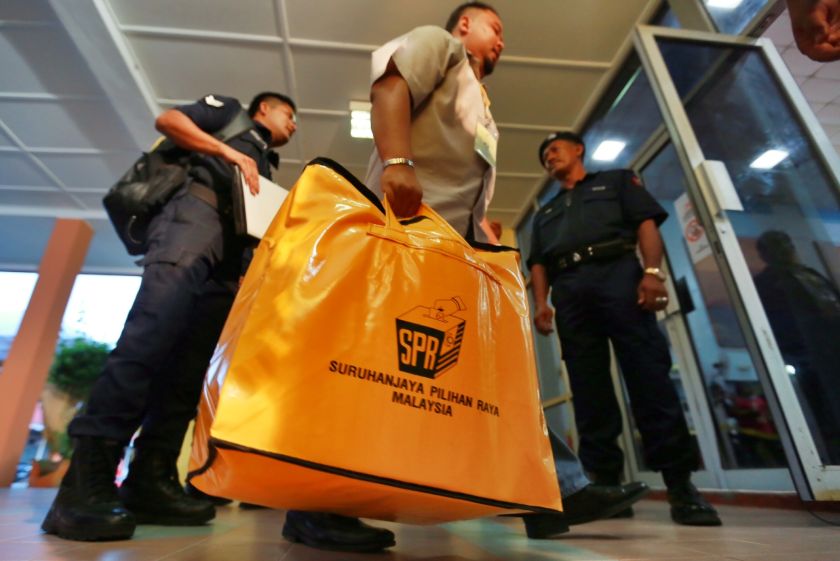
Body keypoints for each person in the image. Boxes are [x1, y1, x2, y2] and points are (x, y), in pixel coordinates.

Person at [365, 2, 649, 542]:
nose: (502, 41)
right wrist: (398, 163)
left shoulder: (479, 97)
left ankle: (554, 493)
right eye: (496, 28)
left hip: (454, 250)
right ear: (465, 24)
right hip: (407, 234)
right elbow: (390, 87)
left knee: (493, 373)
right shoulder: (439, 44)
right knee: (368, 367)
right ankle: (314, 507)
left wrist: (484, 236)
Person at [42, 92, 298, 541]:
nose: (294, 125)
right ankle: (84, 482)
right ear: (264, 109)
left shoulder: (266, 163)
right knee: (148, 340)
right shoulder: (229, 115)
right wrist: (225, 149)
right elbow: (168, 120)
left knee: (187, 374)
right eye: (288, 115)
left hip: (226, 261)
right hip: (191, 223)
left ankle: (150, 480)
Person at [527, 131, 722, 527]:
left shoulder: (615, 180)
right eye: (544, 155)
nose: (549, 156)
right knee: (588, 387)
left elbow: (646, 225)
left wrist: (652, 273)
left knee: (648, 376)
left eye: (555, 149)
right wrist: (541, 303)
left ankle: (680, 486)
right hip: (571, 292)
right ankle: (605, 484)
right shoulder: (544, 213)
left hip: (617, 275)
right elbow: (539, 263)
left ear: (578, 149)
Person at [754, 230, 840, 464]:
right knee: (824, 412)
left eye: (786, 245)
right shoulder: (766, 284)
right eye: (777, 247)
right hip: (805, 356)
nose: (786, 251)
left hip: (828, 351)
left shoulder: (809, 274)